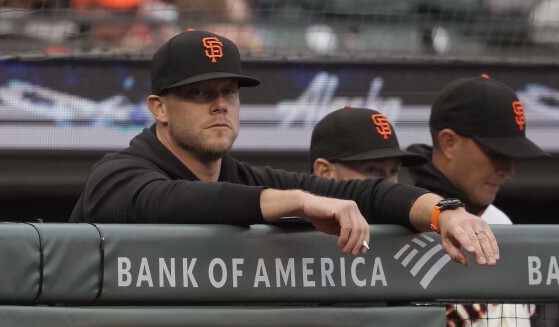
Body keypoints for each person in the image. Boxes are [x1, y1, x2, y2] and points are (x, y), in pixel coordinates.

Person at [70, 29, 500, 268]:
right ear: (158, 108)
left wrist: (442, 210)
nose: (220, 104)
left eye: (229, 91)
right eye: (199, 93)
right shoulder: (118, 173)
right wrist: (298, 200)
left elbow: (364, 193)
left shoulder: (241, 177)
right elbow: (169, 201)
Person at [407, 74, 559, 327]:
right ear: (449, 142)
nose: (508, 169)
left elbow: (523, 325)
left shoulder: (499, 219)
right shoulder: (404, 228)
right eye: (496, 152)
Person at [310, 106, 427, 183]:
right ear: (324, 173)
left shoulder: (403, 220)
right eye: (373, 170)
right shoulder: (296, 220)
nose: (390, 184)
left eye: (393, 171)